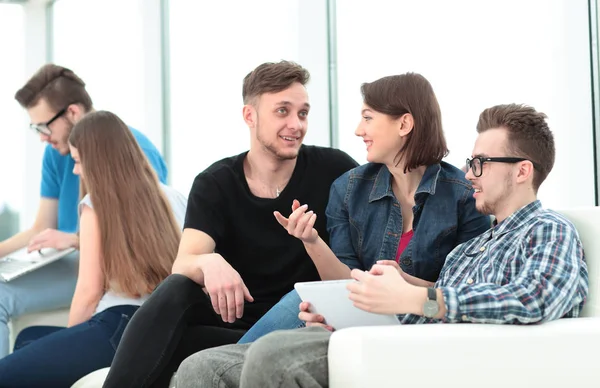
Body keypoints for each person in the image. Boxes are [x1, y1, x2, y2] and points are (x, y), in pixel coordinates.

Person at [174, 103, 589, 388]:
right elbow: (423, 311)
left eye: (480, 163)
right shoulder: (469, 250)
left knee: (274, 357)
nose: (468, 172)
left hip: (434, 357)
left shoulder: (548, 229)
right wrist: (347, 313)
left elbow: (533, 298)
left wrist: (419, 296)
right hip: (401, 338)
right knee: (202, 368)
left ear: (522, 172)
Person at [101, 60, 358, 388]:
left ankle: (217, 365)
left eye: (303, 113)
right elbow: (184, 263)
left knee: (175, 355)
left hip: (299, 323)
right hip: (234, 327)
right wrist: (209, 261)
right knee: (177, 290)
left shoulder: (334, 169)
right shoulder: (215, 182)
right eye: (282, 111)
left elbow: (355, 264)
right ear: (250, 116)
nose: (296, 124)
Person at [237, 72, 491, 343]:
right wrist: (311, 240)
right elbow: (345, 284)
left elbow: (467, 295)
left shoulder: (464, 197)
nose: (359, 130)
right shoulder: (347, 189)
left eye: (368, 118)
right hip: (359, 321)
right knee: (218, 363)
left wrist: (403, 285)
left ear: (404, 124)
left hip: (422, 332)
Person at [0, 111, 186, 387]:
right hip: (159, 328)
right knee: (29, 337)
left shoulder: (96, 205)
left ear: (97, 160)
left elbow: (88, 294)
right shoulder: (174, 196)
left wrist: (70, 344)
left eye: (77, 161)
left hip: (115, 326)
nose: (75, 170)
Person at [0, 64, 167, 358]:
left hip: (105, 268)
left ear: (73, 113)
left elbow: (147, 241)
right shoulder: (55, 153)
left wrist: (77, 240)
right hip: (68, 262)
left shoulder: (133, 150)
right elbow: (41, 227)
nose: (42, 136)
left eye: (44, 126)